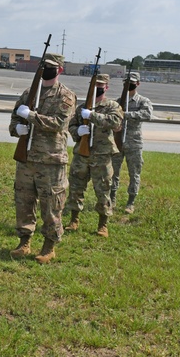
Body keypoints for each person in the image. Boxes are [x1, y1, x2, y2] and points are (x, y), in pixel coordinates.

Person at [9, 53, 77, 263]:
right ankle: (24, 241)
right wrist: (16, 128)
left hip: (51, 160)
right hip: (27, 158)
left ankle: (49, 246)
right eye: (43, 66)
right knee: (24, 201)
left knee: (51, 205)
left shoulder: (66, 96)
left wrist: (31, 116)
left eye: (51, 67)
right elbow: (14, 117)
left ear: (60, 70)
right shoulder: (30, 93)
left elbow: (58, 123)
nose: (46, 69)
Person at [65, 74, 124, 238]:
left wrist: (92, 116)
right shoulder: (82, 107)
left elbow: (115, 122)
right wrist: (77, 131)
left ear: (106, 87)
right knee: (76, 187)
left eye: (101, 85)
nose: (98, 87)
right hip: (82, 154)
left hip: (102, 155)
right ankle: (74, 220)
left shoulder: (112, 106)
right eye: (94, 84)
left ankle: (103, 224)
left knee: (103, 189)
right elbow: (71, 125)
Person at [110, 71, 153, 214]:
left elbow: (147, 115)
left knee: (134, 173)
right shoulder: (117, 102)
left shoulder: (142, 101)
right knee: (113, 173)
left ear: (138, 83)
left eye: (132, 82)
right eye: (126, 82)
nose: (128, 85)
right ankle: (112, 199)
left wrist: (126, 115)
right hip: (117, 141)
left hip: (133, 143)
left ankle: (131, 202)